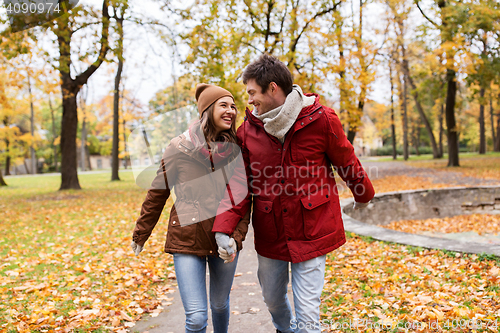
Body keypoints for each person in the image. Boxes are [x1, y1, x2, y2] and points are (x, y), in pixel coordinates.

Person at [212, 54, 375, 333]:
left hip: (313, 226)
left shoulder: (321, 119)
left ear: (272, 88)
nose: (250, 100)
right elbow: (238, 185)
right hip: (271, 230)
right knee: (273, 300)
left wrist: (363, 195)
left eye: (252, 92)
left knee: (308, 314)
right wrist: (223, 229)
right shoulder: (248, 131)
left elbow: (346, 160)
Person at [131, 83, 250, 333]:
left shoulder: (236, 149)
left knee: (219, 305)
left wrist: (236, 238)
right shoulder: (178, 147)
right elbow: (158, 192)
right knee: (196, 318)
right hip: (187, 237)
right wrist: (141, 233)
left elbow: (242, 199)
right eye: (223, 105)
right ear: (207, 110)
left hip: (224, 238)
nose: (231, 111)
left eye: (233, 106)